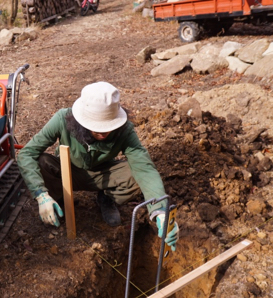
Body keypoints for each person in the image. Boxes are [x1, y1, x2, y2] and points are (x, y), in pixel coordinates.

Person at [17, 82, 179, 249]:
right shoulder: (62, 119)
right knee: (42, 162)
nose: (102, 133)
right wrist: (40, 194)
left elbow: (144, 167)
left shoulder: (125, 131)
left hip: (103, 174)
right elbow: (26, 154)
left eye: (107, 127)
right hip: (68, 172)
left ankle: (106, 198)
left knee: (136, 175)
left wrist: (160, 210)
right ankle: (57, 201)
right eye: (96, 127)